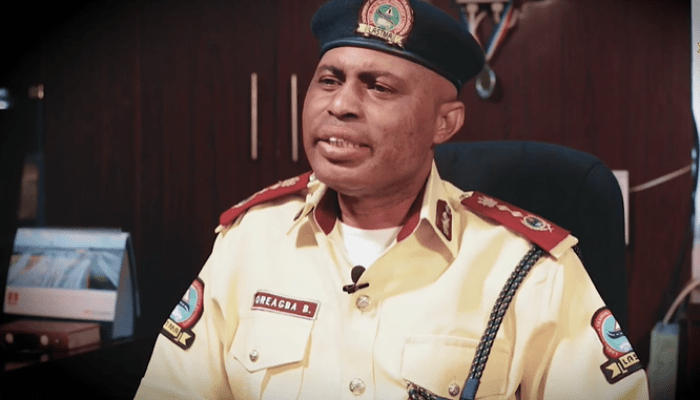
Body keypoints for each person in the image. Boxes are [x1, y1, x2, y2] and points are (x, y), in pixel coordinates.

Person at [135, 0, 649, 399]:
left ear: (444, 123)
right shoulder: (250, 241)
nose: (340, 104)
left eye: (378, 87)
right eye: (329, 80)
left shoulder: (527, 270)